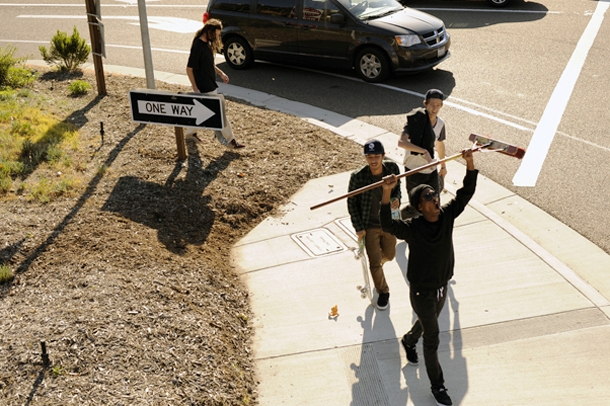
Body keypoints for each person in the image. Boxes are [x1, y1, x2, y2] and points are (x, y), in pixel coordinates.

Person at [379, 149, 477, 406]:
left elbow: (465, 194)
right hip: (422, 292)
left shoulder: (446, 217)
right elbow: (388, 225)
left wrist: (469, 163)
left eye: (434, 193)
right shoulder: (413, 228)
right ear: (419, 207)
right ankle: (438, 386)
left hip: (441, 288)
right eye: (428, 196)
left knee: (425, 324)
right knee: (433, 337)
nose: (435, 197)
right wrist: (387, 191)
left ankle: (409, 340)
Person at [347, 139, 401, 310]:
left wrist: (397, 198)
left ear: (383, 156)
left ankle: (377, 263)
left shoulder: (392, 168)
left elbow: (397, 188)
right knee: (374, 262)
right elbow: (351, 202)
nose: (373, 160)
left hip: (389, 222)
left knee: (390, 255)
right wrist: (359, 228)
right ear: (365, 158)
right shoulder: (358, 176)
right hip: (369, 225)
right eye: (369, 156)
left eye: (376, 156)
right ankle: (383, 291)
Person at [186, 19, 244, 149]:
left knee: (200, 112)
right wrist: (195, 88)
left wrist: (221, 73)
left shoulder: (207, 43)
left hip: (210, 84)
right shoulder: (198, 46)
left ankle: (190, 133)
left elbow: (208, 63)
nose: (217, 37)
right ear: (209, 31)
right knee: (220, 114)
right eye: (216, 34)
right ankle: (231, 141)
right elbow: (189, 69)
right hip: (204, 87)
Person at [398, 89, 447, 217]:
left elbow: (440, 144)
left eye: (438, 105)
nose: (435, 108)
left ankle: (432, 233)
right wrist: (424, 151)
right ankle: (395, 220)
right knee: (416, 207)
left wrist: (443, 166)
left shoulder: (440, 124)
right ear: (425, 104)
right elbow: (401, 142)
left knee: (435, 204)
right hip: (414, 170)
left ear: (441, 105)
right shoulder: (415, 121)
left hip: (431, 170)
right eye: (432, 104)